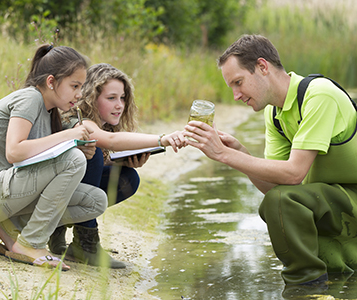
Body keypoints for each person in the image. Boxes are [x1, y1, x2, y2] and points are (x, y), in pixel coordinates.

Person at [183, 34, 357, 285]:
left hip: (349, 198)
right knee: (278, 201)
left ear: (263, 67)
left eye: (238, 82)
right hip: (333, 202)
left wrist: (223, 154)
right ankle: (310, 281)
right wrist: (240, 153)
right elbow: (277, 190)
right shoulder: (274, 114)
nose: (236, 95)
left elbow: (294, 173)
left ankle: (304, 287)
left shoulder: (319, 95)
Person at [0, 45, 108, 271]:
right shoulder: (30, 98)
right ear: (51, 82)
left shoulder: (49, 112)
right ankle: (31, 243)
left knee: (96, 200)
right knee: (73, 160)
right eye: (74, 86)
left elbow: (38, 160)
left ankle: (11, 229)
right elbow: (15, 151)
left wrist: (77, 144)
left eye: (81, 87)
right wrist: (67, 136)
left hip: (6, 193)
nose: (79, 94)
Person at [49, 63, 186, 268]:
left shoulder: (100, 124)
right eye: (111, 98)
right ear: (92, 98)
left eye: (122, 98)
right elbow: (109, 142)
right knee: (93, 153)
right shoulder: (81, 122)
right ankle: (85, 243)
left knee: (127, 178)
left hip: (65, 192)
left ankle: (63, 229)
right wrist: (162, 139)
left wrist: (120, 161)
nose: (119, 105)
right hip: (48, 195)